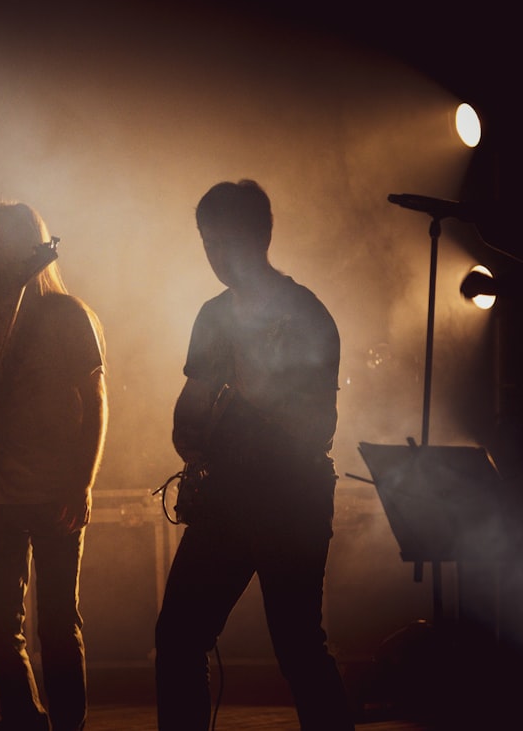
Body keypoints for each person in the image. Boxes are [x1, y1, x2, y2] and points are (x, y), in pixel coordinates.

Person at [155, 180, 354, 730]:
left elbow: (321, 426)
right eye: (206, 242)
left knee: (297, 647)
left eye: (225, 242)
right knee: (178, 636)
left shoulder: (306, 314)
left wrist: (253, 393)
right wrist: (190, 445)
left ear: (261, 237)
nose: (215, 256)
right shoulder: (213, 315)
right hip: (227, 499)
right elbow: (190, 403)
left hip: (290, 499)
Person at [0, 202, 108, 731]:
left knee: (57, 625)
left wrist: (83, 482)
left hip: (55, 488)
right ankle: (24, 722)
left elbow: (96, 398)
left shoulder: (67, 315)